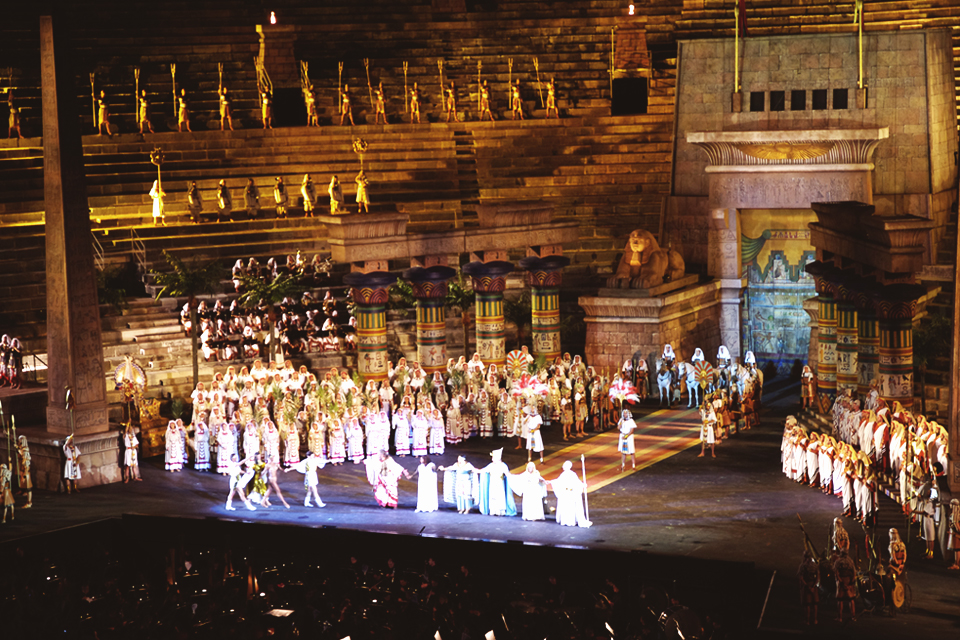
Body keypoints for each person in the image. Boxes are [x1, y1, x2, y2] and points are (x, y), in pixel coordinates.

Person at [551, 460, 591, 527]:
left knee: (570, 507)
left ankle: (570, 521)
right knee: (565, 507)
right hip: (565, 493)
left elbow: (577, 483)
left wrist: (582, 485)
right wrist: (551, 482)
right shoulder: (563, 474)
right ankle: (565, 520)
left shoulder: (572, 474)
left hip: (570, 493)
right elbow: (558, 482)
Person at [478, 448, 516, 517]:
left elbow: (508, 474)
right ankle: (493, 510)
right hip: (492, 483)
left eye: (493, 457)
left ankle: (500, 510)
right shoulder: (491, 465)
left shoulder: (503, 465)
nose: (492, 459)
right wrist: (475, 470)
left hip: (499, 483)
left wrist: (515, 477)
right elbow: (484, 470)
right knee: (493, 496)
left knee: (499, 496)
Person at [833, 549, 857, 622]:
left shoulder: (838, 561)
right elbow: (854, 572)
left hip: (842, 581)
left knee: (840, 600)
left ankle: (840, 617)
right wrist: (851, 582)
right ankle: (853, 617)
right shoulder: (850, 561)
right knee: (851, 600)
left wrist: (841, 582)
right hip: (849, 580)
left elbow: (836, 572)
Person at [797, 550, 820, 626]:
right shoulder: (815, 565)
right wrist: (814, 586)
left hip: (807, 586)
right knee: (815, 604)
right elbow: (818, 577)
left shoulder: (803, 566)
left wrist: (807, 586)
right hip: (814, 585)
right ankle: (815, 620)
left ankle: (807, 621)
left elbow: (801, 577)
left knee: (808, 604)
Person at [16, 435, 33, 507]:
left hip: (26, 473)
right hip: (24, 471)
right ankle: (28, 501)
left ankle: (29, 502)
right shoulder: (23, 454)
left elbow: (26, 466)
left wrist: (24, 476)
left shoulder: (26, 457)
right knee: (27, 487)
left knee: (29, 488)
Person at [946, 499, 959, 570]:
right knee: (956, 549)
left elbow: (956, 524)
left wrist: (958, 531)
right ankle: (956, 563)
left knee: (957, 549)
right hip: (954, 532)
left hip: (955, 533)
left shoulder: (955, 514)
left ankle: (957, 564)